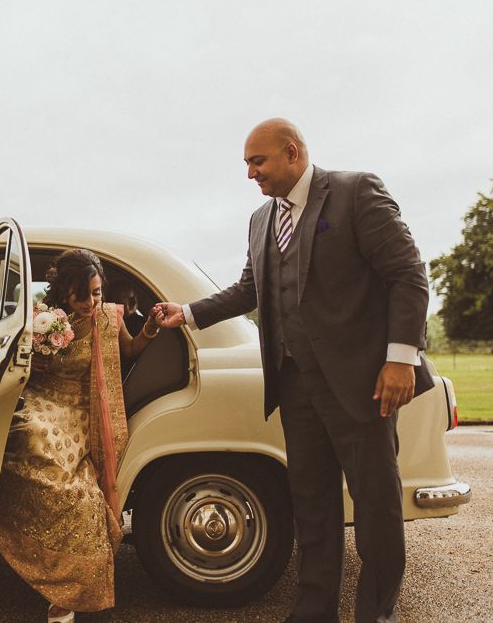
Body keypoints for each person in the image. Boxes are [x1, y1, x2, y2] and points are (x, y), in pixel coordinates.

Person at [156, 118, 433, 623]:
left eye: (256, 162)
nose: (249, 174)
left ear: (292, 152)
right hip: (295, 383)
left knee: (376, 508)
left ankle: (376, 614)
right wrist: (189, 313)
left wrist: (400, 358)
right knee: (312, 504)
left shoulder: (356, 192)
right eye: (246, 164)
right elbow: (250, 290)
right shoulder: (262, 219)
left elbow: (408, 275)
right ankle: (313, 612)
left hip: (362, 383)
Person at [0, 248, 160, 623]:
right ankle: (44, 567)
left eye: (97, 293)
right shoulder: (39, 319)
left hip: (83, 409)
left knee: (79, 494)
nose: (91, 302)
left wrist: (148, 329)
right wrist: (41, 347)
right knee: (27, 437)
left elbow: (129, 349)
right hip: (41, 401)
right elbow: (21, 371)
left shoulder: (108, 317)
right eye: (83, 294)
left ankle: (70, 592)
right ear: (64, 289)